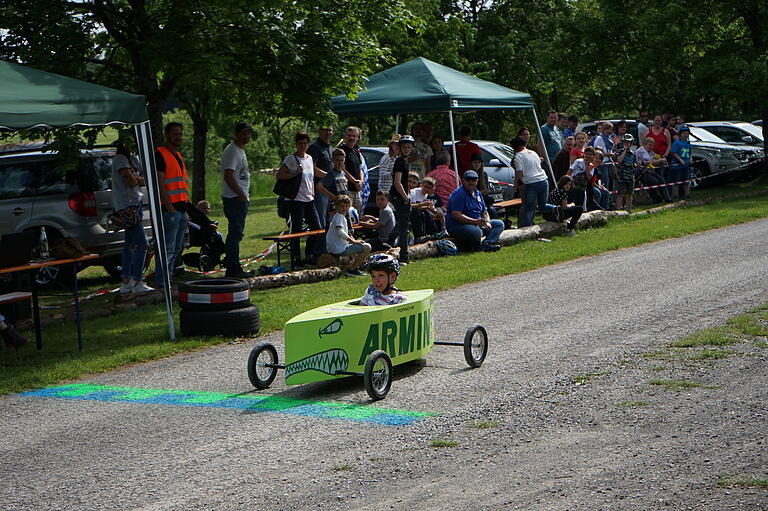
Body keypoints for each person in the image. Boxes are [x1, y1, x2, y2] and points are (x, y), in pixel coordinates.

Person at [276, 132, 326, 267]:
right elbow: (280, 175)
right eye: (300, 143)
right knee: (297, 230)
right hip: (296, 200)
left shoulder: (309, 158)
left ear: (308, 144)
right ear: (296, 144)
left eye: (305, 143)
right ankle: (296, 257)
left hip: (309, 199)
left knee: (317, 228)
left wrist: (328, 177)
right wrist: (295, 173)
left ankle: (309, 254)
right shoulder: (291, 159)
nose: (302, 146)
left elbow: (312, 175)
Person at [112, 135, 152, 293]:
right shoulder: (120, 159)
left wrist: (139, 179)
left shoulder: (134, 159)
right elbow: (132, 181)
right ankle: (137, 281)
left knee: (130, 244)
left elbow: (145, 177)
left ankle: (126, 279)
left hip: (136, 204)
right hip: (126, 207)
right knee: (143, 244)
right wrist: (139, 179)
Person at [154, 122, 190, 289]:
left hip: (181, 209)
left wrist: (185, 210)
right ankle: (162, 282)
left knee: (176, 249)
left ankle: (167, 278)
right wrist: (170, 208)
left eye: (180, 134)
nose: (178, 137)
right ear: (167, 135)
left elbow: (181, 185)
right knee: (168, 249)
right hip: (170, 210)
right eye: (175, 134)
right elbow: (160, 184)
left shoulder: (178, 155)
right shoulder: (161, 154)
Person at [220, 121, 253, 278]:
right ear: (236, 133)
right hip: (234, 198)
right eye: (243, 133)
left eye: (248, 133)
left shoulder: (240, 151)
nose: (246, 136)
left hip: (239, 197)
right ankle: (232, 267)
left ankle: (233, 264)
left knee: (237, 233)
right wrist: (240, 194)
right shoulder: (232, 150)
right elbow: (228, 175)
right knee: (235, 233)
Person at [446, 170, 504, 251]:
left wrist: (487, 222)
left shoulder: (478, 193)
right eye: (468, 179)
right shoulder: (458, 194)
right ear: (463, 180)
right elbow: (456, 215)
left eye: (473, 179)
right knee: (476, 232)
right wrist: (474, 221)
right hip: (458, 225)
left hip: (477, 223)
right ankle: (477, 246)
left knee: (499, 224)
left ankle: (487, 243)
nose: (471, 182)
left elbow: (484, 211)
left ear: (477, 181)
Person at [511, 136, 557, 227]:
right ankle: (557, 209)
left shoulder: (518, 157)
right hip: (543, 180)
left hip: (531, 183)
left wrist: (516, 183)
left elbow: (519, 171)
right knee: (543, 206)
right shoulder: (533, 153)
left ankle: (528, 227)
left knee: (529, 208)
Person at [325, 195, 371, 277]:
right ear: (336, 207)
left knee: (361, 245)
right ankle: (352, 269)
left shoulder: (339, 217)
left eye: (346, 206)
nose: (344, 208)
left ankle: (354, 266)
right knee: (367, 247)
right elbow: (340, 232)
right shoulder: (339, 217)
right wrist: (353, 241)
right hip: (339, 249)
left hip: (337, 247)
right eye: (341, 206)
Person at [390, 135, 415, 265]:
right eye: (404, 147)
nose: (406, 149)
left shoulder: (404, 161)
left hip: (400, 195)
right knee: (404, 227)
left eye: (409, 147)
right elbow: (397, 182)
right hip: (399, 196)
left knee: (402, 224)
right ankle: (404, 256)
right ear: (399, 148)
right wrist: (406, 197)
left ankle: (390, 241)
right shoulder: (400, 161)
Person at [316, 148, 355, 224]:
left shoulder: (343, 173)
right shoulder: (331, 174)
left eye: (342, 160)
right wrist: (333, 197)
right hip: (335, 206)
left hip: (345, 204)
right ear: (333, 161)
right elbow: (319, 186)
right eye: (337, 160)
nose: (339, 163)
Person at [308, 126, 334, 229]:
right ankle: (320, 244)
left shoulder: (330, 148)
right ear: (319, 131)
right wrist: (329, 176)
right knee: (321, 221)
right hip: (319, 189)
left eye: (330, 130)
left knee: (329, 220)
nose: (328, 132)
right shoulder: (314, 148)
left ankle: (327, 243)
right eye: (325, 130)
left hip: (329, 189)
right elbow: (312, 168)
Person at [410, 176, 447, 241]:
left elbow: (423, 207)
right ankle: (431, 233)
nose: (427, 189)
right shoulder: (414, 192)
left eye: (429, 188)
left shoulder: (426, 195)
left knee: (438, 212)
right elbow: (411, 207)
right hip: (411, 213)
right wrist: (425, 205)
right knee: (425, 213)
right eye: (425, 187)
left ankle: (442, 230)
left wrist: (433, 210)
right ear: (421, 185)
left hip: (419, 213)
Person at [636, 137, 671, 203]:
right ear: (645, 144)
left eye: (652, 145)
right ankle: (654, 198)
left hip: (650, 170)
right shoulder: (641, 151)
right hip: (642, 171)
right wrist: (660, 160)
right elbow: (649, 162)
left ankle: (667, 198)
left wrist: (661, 161)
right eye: (650, 145)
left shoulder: (651, 152)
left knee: (661, 180)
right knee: (654, 181)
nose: (651, 147)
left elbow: (654, 161)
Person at [339, 126, 364, 212]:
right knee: (348, 216)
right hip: (347, 190)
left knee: (358, 216)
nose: (351, 138)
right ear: (345, 136)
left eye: (354, 136)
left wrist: (361, 181)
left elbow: (360, 168)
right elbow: (342, 169)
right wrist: (354, 181)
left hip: (357, 190)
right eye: (349, 135)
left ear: (357, 138)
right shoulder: (341, 151)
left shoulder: (356, 151)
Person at [592, 122, 615, 207]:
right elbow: (598, 151)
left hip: (609, 162)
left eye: (610, 129)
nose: (609, 131)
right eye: (607, 129)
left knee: (610, 182)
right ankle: (603, 204)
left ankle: (609, 202)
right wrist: (609, 155)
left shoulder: (609, 139)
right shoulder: (599, 138)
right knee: (605, 182)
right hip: (602, 163)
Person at [614, 133, 637, 212]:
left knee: (629, 194)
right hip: (621, 176)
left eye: (628, 142)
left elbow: (634, 163)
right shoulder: (619, 151)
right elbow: (619, 160)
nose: (626, 144)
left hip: (630, 176)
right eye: (625, 142)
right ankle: (618, 211)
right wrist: (624, 151)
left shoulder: (633, 154)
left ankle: (629, 210)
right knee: (620, 194)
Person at [669, 124, 693, 200]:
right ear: (680, 134)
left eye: (687, 133)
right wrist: (680, 160)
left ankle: (687, 195)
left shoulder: (688, 143)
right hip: (677, 165)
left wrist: (690, 158)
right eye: (684, 133)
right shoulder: (677, 142)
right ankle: (675, 195)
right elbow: (673, 152)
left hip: (686, 165)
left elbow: (690, 152)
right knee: (676, 181)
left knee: (686, 180)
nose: (685, 135)